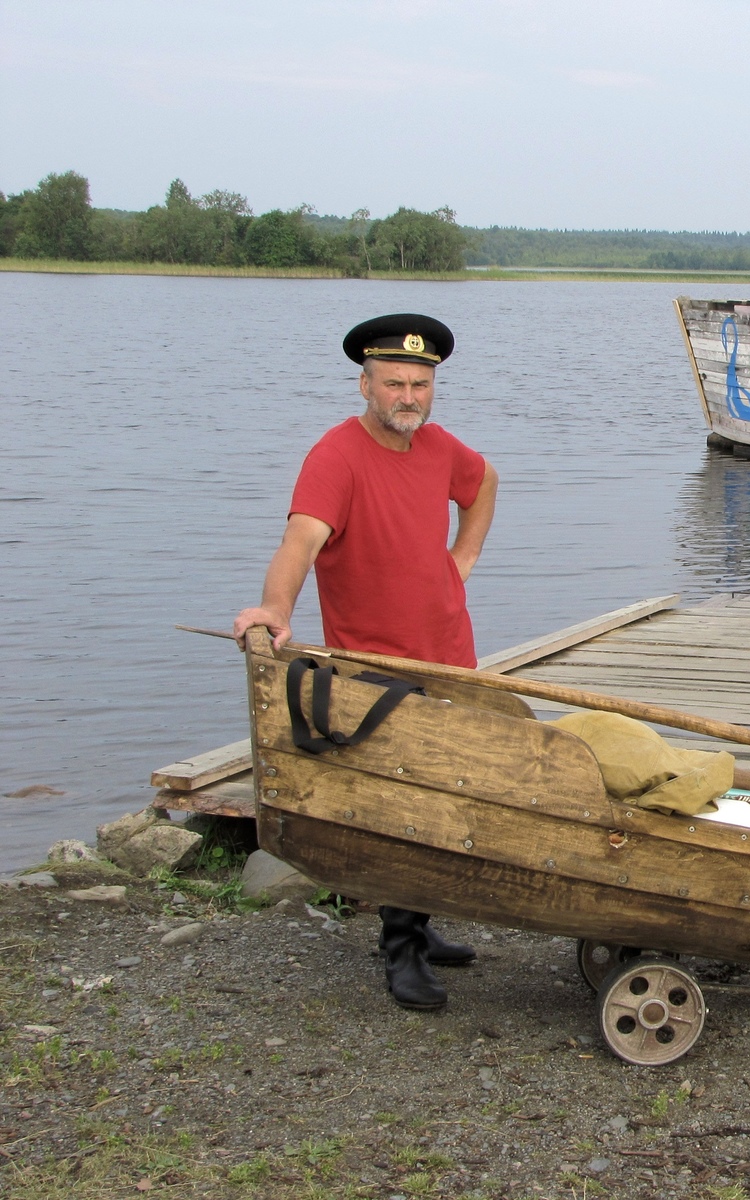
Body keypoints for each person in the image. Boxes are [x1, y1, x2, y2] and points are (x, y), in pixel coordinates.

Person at [233, 313, 499, 1011]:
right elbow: (300, 541)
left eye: (420, 383)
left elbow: (484, 483)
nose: (408, 396)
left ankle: (421, 921)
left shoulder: (442, 449)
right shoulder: (336, 456)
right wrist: (275, 611)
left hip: (451, 655)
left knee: (449, 790)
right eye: (393, 384)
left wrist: (460, 561)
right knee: (400, 806)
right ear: (365, 384)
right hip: (375, 669)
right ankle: (401, 949)